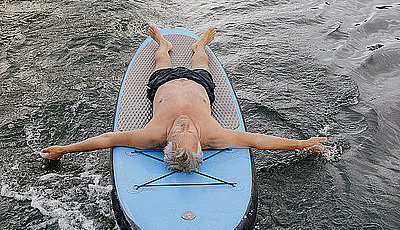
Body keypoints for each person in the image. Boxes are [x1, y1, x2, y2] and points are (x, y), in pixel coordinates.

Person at [40, 26, 329, 171]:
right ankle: (198, 44)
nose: (186, 125)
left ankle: (172, 44)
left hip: (162, 84)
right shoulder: (213, 134)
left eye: (182, 131)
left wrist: (63, 149)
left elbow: (107, 140)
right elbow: (257, 140)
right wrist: (302, 144)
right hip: (200, 85)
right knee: (200, 59)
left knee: (160, 57)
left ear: (167, 142)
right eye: (187, 131)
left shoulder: (152, 135)